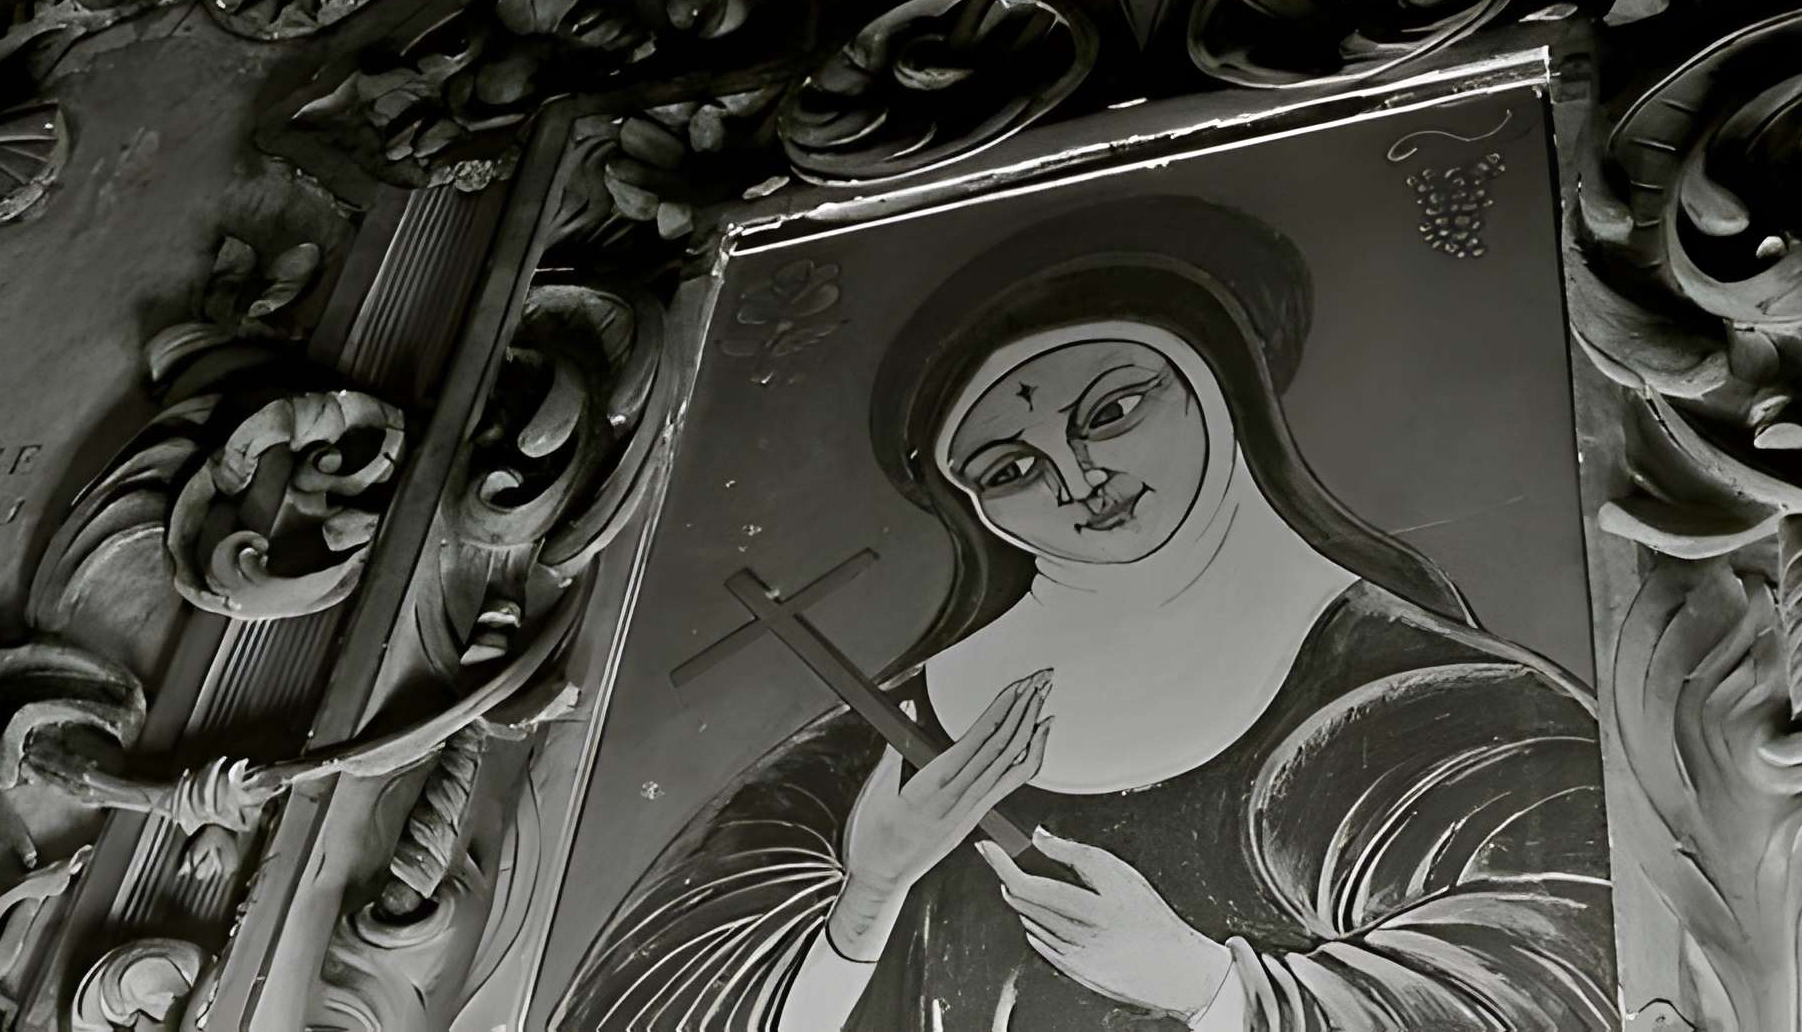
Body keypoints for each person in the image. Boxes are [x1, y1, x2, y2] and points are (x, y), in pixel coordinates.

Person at [549, 196, 1614, 1031]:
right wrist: (866, 893)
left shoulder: (1434, 704)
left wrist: (1204, 981)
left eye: (1108, 409)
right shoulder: (892, 754)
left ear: (1213, 387)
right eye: (1010, 466)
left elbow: (1563, 974)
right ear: (976, 511)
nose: (1075, 477)